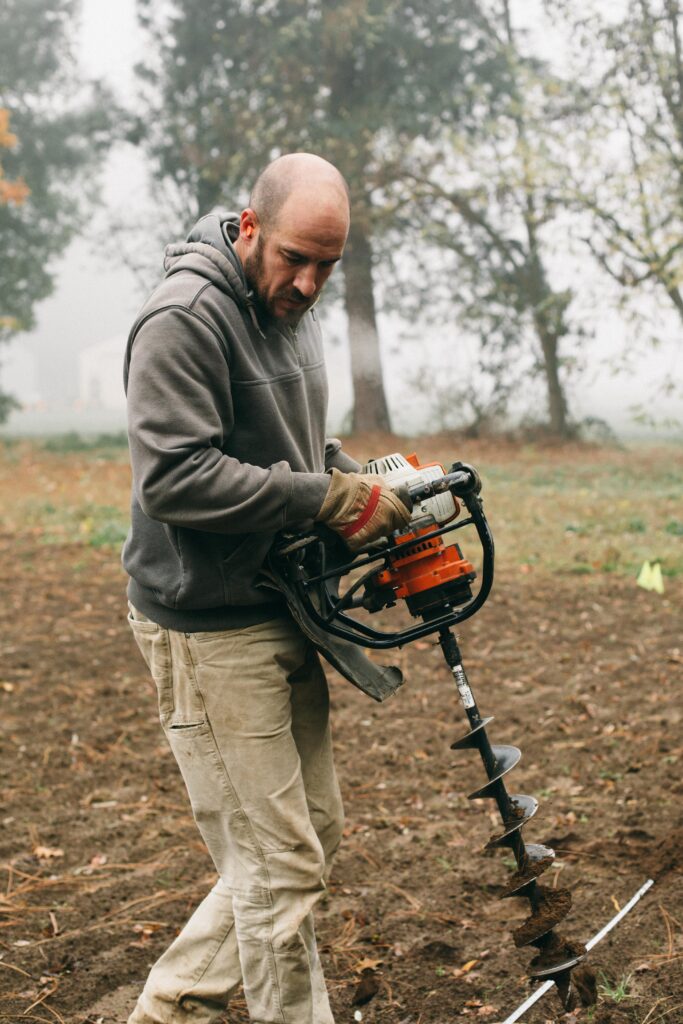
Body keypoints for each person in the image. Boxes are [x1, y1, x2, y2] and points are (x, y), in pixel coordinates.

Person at [123, 153, 411, 1024]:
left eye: (328, 264)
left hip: (278, 600)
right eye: (294, 257)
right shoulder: (184, 320)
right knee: (277, 870)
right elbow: (175, 478)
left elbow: (295, 447)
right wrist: (324, 496)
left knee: (306, 838)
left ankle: (167, 1011)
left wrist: (364, 486)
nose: (309, 282)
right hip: (208, 626)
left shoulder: (290, 306)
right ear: (249, 227)